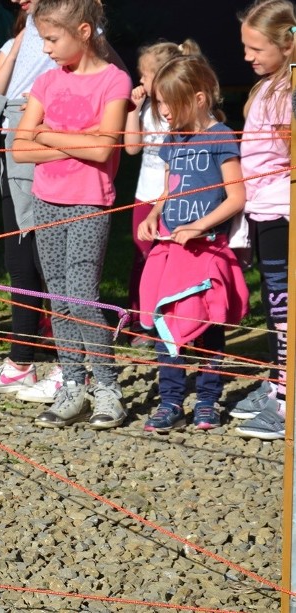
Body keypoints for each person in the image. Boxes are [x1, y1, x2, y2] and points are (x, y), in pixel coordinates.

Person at [10, 0, 131, 429]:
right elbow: (21, 148)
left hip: (88, 203)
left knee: (82, 296)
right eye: (42, 38)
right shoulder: (46, 82)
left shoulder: (113, 81)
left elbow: (104, 149)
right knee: (58, 299)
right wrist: (75, 139)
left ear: (82, 31)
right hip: (47, 199)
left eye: (52, 38)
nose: (45, 49)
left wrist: (49, 134)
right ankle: (72, 383)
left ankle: (107, 386)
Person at [138, 54, 247, 433]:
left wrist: (199, 227)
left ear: (199, 98)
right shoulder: (173, 138)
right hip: (172, 251)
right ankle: (170, 401)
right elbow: (170, 189)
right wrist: (154, 215)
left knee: (208, 326)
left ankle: (206, 400)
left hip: (207, 252)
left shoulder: (221, 137)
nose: (164, 112)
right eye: (159, 103)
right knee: (165, 323)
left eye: (171, 102)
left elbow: (236, 197)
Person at [0, 0, 60, 399]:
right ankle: (22, 361)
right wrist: (17, 43)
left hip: (41, 140)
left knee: (47, 259)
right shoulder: (25, 33)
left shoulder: (72, 30)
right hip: (14, 141)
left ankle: (72, 367)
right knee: (19, 259)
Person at [232, 0, 295, 440]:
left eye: (256, 48)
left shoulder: (288, 95)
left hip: (281, 213)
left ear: (288, 44)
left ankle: (288, 398)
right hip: (263, 209)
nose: (248, 56)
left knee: (283, 309)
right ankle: (277, 381)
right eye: (245, 47)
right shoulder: (269, 86)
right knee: (273, 306)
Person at [122, 40, 200, 351]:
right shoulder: (149, 112)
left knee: (174, 260)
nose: (139, 81)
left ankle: (180, 322)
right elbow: (131, 147)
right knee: (142, 258)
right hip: (145, 196)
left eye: (143, 76)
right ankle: (140, 320)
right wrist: (134, 110)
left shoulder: (178, 112)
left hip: (175, 198)